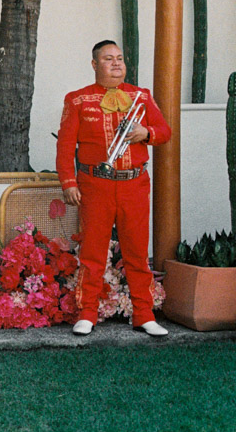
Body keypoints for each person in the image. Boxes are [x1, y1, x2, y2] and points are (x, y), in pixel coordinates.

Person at [56, 40, 171, 337]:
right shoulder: (77, 100)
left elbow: (165, 132)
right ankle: (87, 313)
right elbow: (66, 146)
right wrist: (69, 182)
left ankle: (144, 314)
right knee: (93, 253)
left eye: (120, 58)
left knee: (136, 253)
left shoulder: (141, 96)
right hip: (95, 185)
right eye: (109, 59)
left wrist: (146, 133)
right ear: (95, 65)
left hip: (134, 184)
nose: (117, 63)